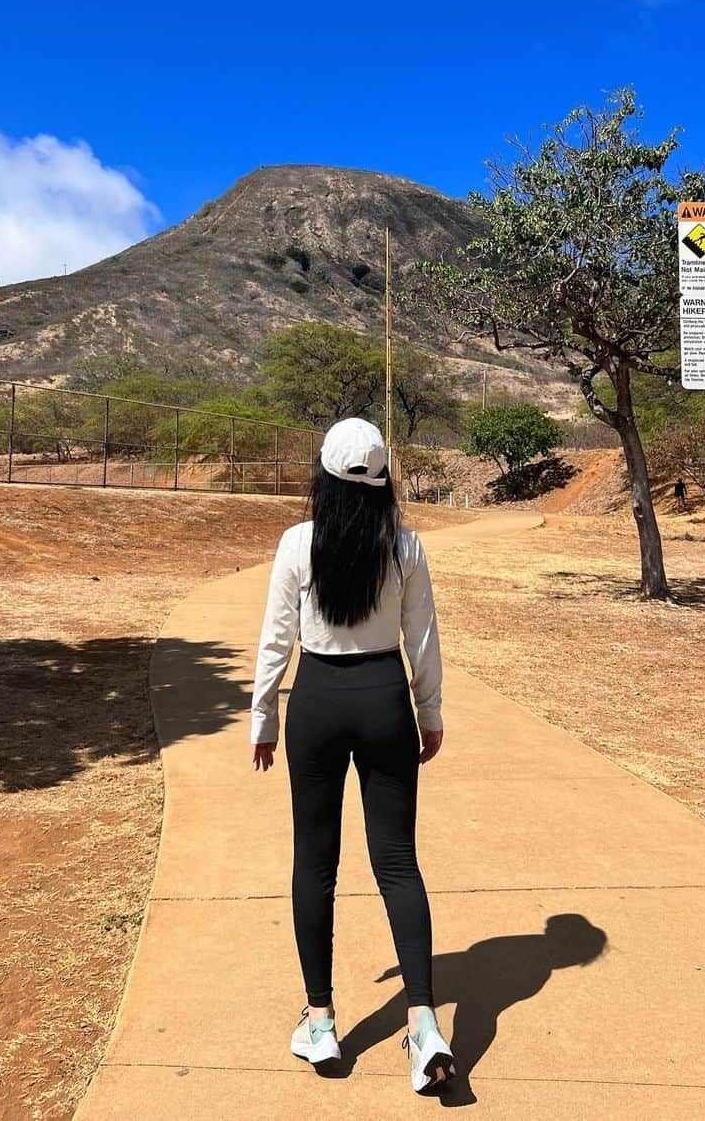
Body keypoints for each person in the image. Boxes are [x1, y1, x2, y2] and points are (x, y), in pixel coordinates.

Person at [249, 416, 457, 1094]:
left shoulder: (297, 544)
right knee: (398, 864)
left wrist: (263, 720)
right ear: (384, 477)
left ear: (324, 476)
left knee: (315, 863)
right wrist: (429, 713)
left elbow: (276, 637)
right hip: (383, 701)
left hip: (317, 702)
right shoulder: (406, 545)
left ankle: (322, 1021)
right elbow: (421, 639)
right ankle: (425, 1028)